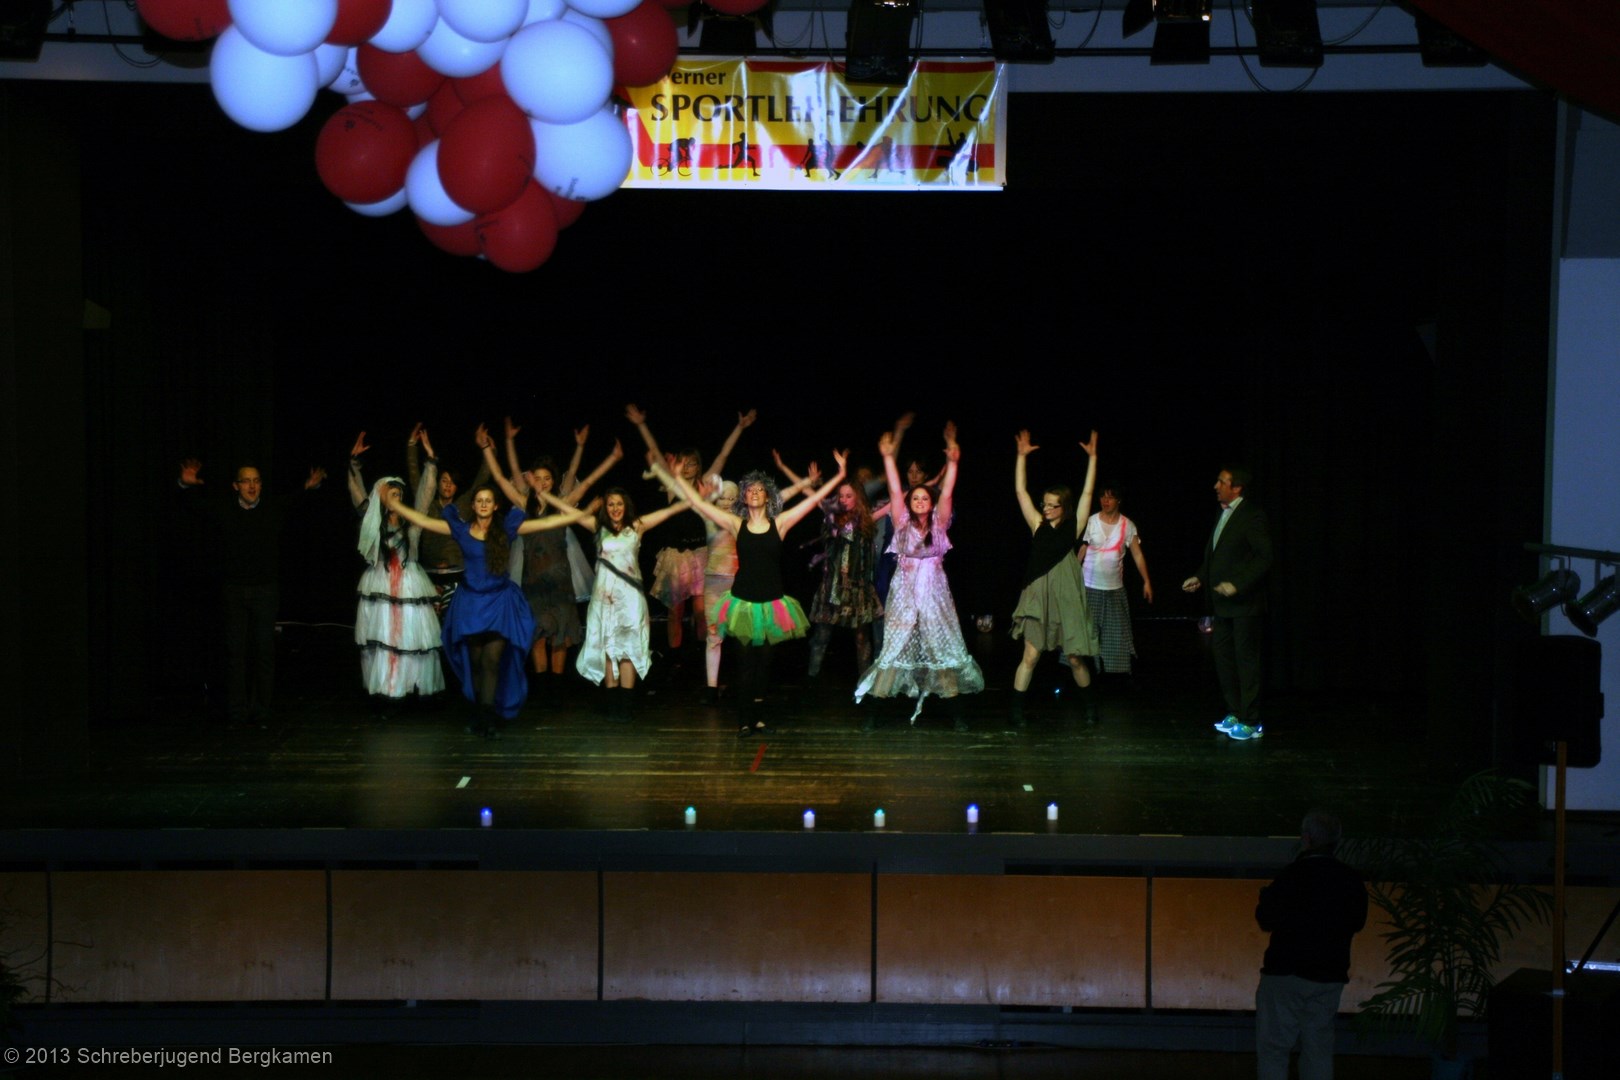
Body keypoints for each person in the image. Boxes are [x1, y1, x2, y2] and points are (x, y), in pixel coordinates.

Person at [385, 431, 590, 739]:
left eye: (488, 501)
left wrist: (580, 514)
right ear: (474, 505)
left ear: (495, 506)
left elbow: (546, 522)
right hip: (470, 604)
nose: (482, 504)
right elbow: (425, 522)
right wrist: (395, 506)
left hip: (498, 603)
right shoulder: (461, 529)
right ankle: (479, 713)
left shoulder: (504, 529)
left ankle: (488, 718)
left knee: (493, 659)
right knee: (477, 662)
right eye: (479, 500)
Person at [651, 434, 847, 735]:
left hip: (771, 603)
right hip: (742, 602)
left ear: (767, 496)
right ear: (744, 497)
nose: (754, 493)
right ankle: (744, 719)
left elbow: (811, 501)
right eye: (750, 490)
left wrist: (840, 476)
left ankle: (758, 717)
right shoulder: (735, 524)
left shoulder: (780, 523)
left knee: (764, 665)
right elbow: (697, 503)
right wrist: (677, 477)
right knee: (744, 664)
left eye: (760, 489)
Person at [176, 456, 326, 729]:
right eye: (246, 481)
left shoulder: (271, 508)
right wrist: (186, 486)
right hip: (234, 591)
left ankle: (262, 713)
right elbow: (197, 508)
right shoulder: (225, 510)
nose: (252, 486)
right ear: (236, 486)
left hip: (265, 591)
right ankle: (237, 713)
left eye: (256, 481)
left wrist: (309, 486)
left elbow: (296, 500)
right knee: (235, 654)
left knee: (264, 652)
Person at [855, 422, 983, 729]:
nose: (921, 501)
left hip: (935, 594)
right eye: (916, 499)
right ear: (910, 504)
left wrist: (953, 462)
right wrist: (888, 458)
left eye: (925, 498)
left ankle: (958, 716)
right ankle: (873, 714)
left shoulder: (939, 523)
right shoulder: (901, 522)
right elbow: (895, 490)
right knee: (893, 648)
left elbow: (947, 491)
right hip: (904, 592)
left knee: (941, 650)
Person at [494, 417, 622, 692]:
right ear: (530, 480)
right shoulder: (524, 504)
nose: (542, 483)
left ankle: (557, 685)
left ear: (553, 482)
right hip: (533, 578)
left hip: (560, 578)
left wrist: (609, 458)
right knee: (538, 633)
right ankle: (542, 685)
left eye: (547, 478)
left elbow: (585, 481)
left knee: (561, 633)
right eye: (537, 478)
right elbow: (504, 478)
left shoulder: (563, 504)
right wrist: (506, 442)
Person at [563, 463, 691, 722]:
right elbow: (567, 510)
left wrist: (691, 495)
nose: (615, 508)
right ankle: (613, 705)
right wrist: (543, 494)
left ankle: (626, 706)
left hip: (630, 599)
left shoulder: (636, 526)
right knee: (608, 649)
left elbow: (669, 511)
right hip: (604, 598)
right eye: (610, 504)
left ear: (626, 506)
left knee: (628, 649)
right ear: (605, 507)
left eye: (619, 504)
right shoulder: (597, 527)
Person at [628, 404, 755, 654]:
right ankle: (675, 657)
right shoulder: (672, 486)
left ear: (698, 467)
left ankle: (700, 654)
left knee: (701, 611)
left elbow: (723, 456)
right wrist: (641, 425)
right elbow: (656, 453)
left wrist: (739, 428)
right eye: (683, 463)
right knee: (675, 611)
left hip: (700, 554)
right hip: (676, 556)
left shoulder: (703, 484)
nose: (687, 468)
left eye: (692, 464)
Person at [1254, 810, 1369, 1080]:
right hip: (1329, 975)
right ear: (1336, 841)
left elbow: (1266, 919)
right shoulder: (1350, 879)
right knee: (1318, 1049)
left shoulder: (1291, 875)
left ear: (1306, 839)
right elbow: (1357, 922)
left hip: (1285, 973)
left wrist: (1266, 898)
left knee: (1274, 1049)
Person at [346, 431, 444, 713]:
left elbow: (426, 493)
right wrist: (353, 464)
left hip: (408, 584)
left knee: (409, 639)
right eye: (392, 494)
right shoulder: (372, 522)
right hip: (381, 584)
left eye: (399, 494)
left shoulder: (411, 523)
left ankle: (409, 687)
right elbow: (357, 495)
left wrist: (431, 462)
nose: (397, 498)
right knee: (385, 640)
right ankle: (387, 688)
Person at [1009, 430, 1102, 725]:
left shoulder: (1074, 526)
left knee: (1074, 657)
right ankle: (1016, 712)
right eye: (1045, 504)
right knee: (1030, 655)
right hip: (1038, 594)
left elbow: (1088, 493)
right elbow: (1021, 492)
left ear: (1064, 506)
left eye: (1053, 505)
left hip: (1066, 595)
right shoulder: (1037, 524)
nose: (1047, 509)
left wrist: (1093, 458)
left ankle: (1090, 709)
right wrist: (1021, 457)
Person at [1182, 465, 1273, 741]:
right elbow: (1216, 556)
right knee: (1224, 661)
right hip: (1222, 606)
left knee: (1246, 663)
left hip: (1245, 605)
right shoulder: (1222, 513)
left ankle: (1252, 721)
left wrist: (1237, 584)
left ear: (1237, 488)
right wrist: (1199, 577)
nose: (1216, 486)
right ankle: (1235, 711)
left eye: (1222, 482)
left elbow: (1264, 557)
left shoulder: (1252, 515)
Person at [772, 453, 882, 680]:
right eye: (841, 496)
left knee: (861, 637)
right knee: (822, 635)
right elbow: (809, 493)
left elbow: (896, 502)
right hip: (832, 585)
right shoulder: (831, 515)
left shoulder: (867, 519)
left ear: (858, 497)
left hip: (858, 587)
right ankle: (812, 677)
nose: (844, 500)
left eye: (849, 496)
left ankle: (865, 682)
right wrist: (783, 467)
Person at [1079, 483, 1153, 678]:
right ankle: (1086, 675)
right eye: (1102, 496)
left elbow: (1137, 554)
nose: (1105, 501)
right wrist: (1072, 573)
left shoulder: (1127, 525)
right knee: (1086, 633)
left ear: (1118, 500)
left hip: (1113, 589)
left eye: (1110, 497)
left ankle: (1112, 677)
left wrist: (1146, 581)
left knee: (1115, 636)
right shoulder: (1092, 521)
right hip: (1089, 586)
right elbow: (1083, 548)